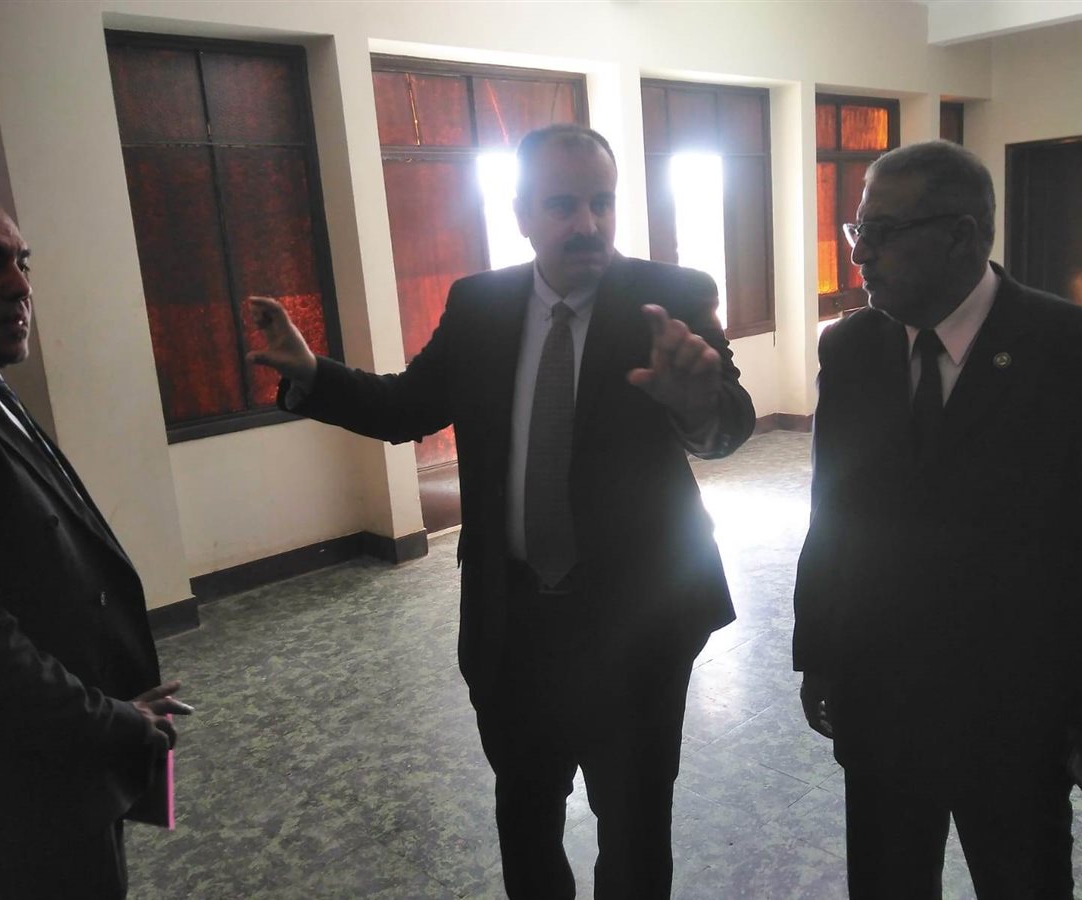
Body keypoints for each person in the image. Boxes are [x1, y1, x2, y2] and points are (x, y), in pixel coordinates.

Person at [249, 123, 754, 898]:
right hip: (512, 623)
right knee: (524, 818)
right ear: (521, 213)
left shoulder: (672, 294)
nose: (587, 223)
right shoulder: (479, 304)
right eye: (562, 205)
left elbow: (728, 422)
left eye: (601, 203)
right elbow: (407, 407)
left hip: (637, 624)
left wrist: (698, 404)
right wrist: (314, 373)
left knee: (634, 832)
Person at [792, 140, 1082, 898]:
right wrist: (819, 652)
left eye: (883, 233)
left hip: (1017, 715)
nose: (860, 255)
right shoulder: (852, 347)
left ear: (961, 236)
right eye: (859, 230)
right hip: (881, 702)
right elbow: (834, 515)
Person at [0, 199, 192, 899]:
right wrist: (113, 720)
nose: (20, 286)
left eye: (22, 262)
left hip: (72, 771)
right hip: (24, 796)